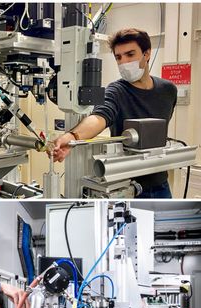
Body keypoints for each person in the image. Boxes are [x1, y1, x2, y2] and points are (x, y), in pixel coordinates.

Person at [52, 28, 177, 198]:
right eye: (118, 57)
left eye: (130, 54)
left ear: (147, 54)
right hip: (126, 186)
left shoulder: (168, 90)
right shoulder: (116, 91)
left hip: (160, 182)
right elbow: (99, 117)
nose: (124, 62)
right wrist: (72, 137)